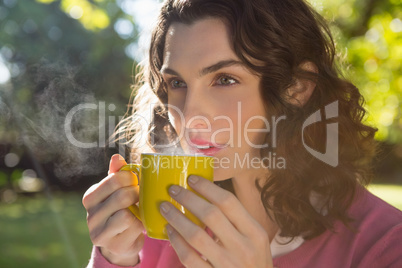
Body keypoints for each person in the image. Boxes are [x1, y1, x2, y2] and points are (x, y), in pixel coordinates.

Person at [83, 0, 402, 267]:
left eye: (224, 79)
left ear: (296, 88)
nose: (191, 117)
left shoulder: (385, 246)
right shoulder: (158, 229)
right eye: (177, 84)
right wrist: (117, 257)